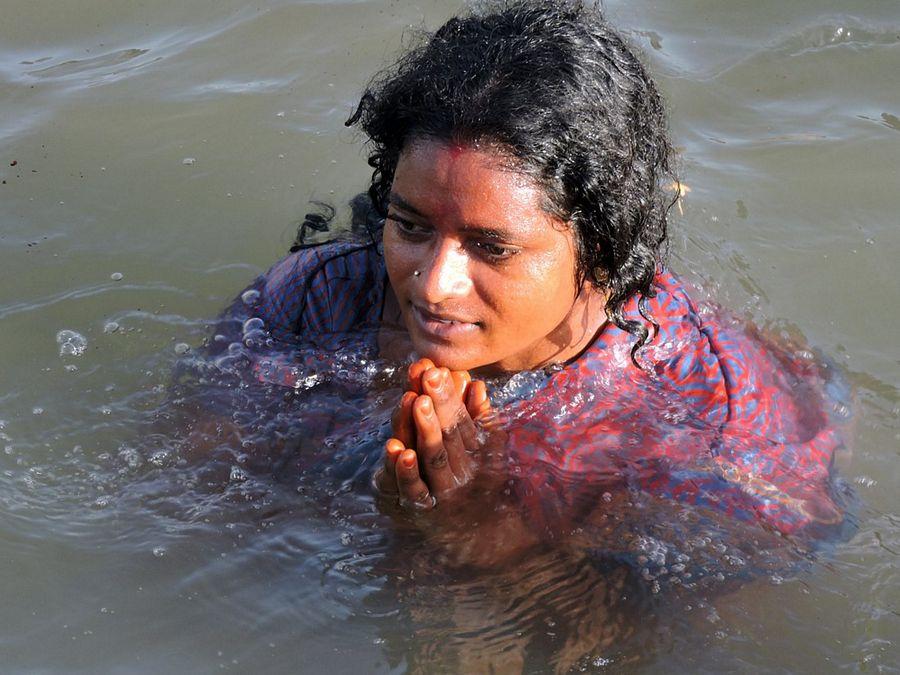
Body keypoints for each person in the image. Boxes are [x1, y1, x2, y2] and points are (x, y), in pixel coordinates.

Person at [192, 0, 848, 572]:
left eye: (492, 246)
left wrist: (484, 534)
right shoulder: (313, 302)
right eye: (411, 224)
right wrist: (384, 513)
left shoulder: (712, 410)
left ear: (599, 251)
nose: (433, 284)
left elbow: (727, 610)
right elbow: (190, 502)